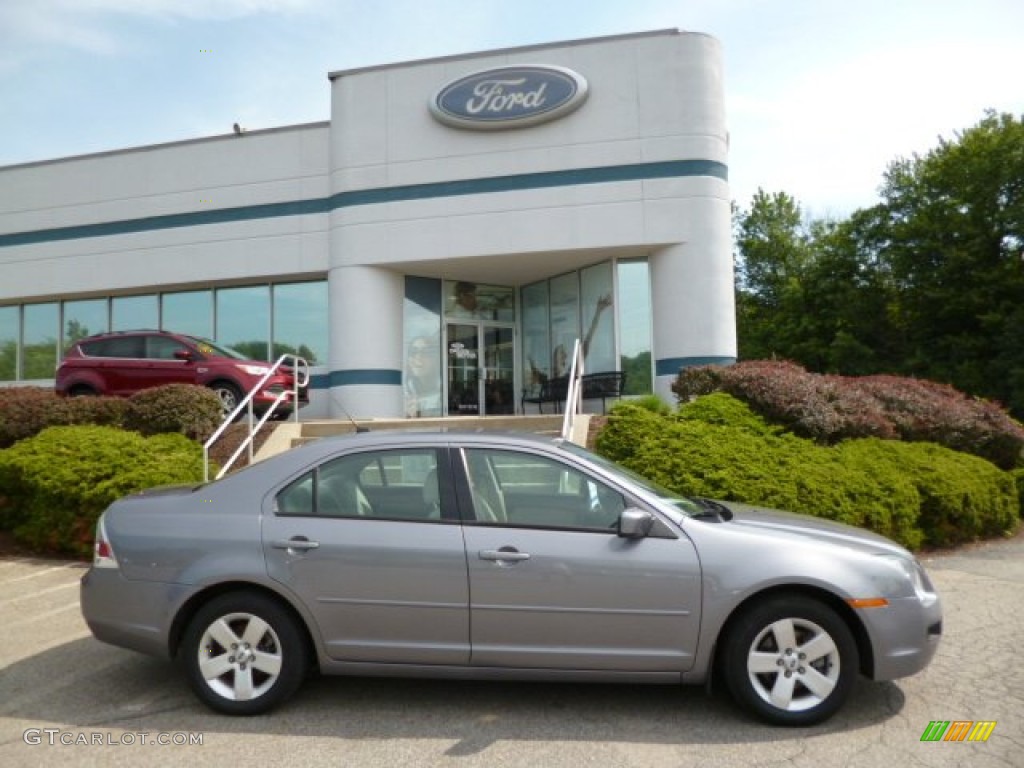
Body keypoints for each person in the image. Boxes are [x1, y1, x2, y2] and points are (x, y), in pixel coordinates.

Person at [404, 335, 441, 417]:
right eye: (413, 352)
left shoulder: (441, 394)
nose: (418, 357)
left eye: (424, 352)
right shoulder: (404, 392)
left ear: (434, 359)